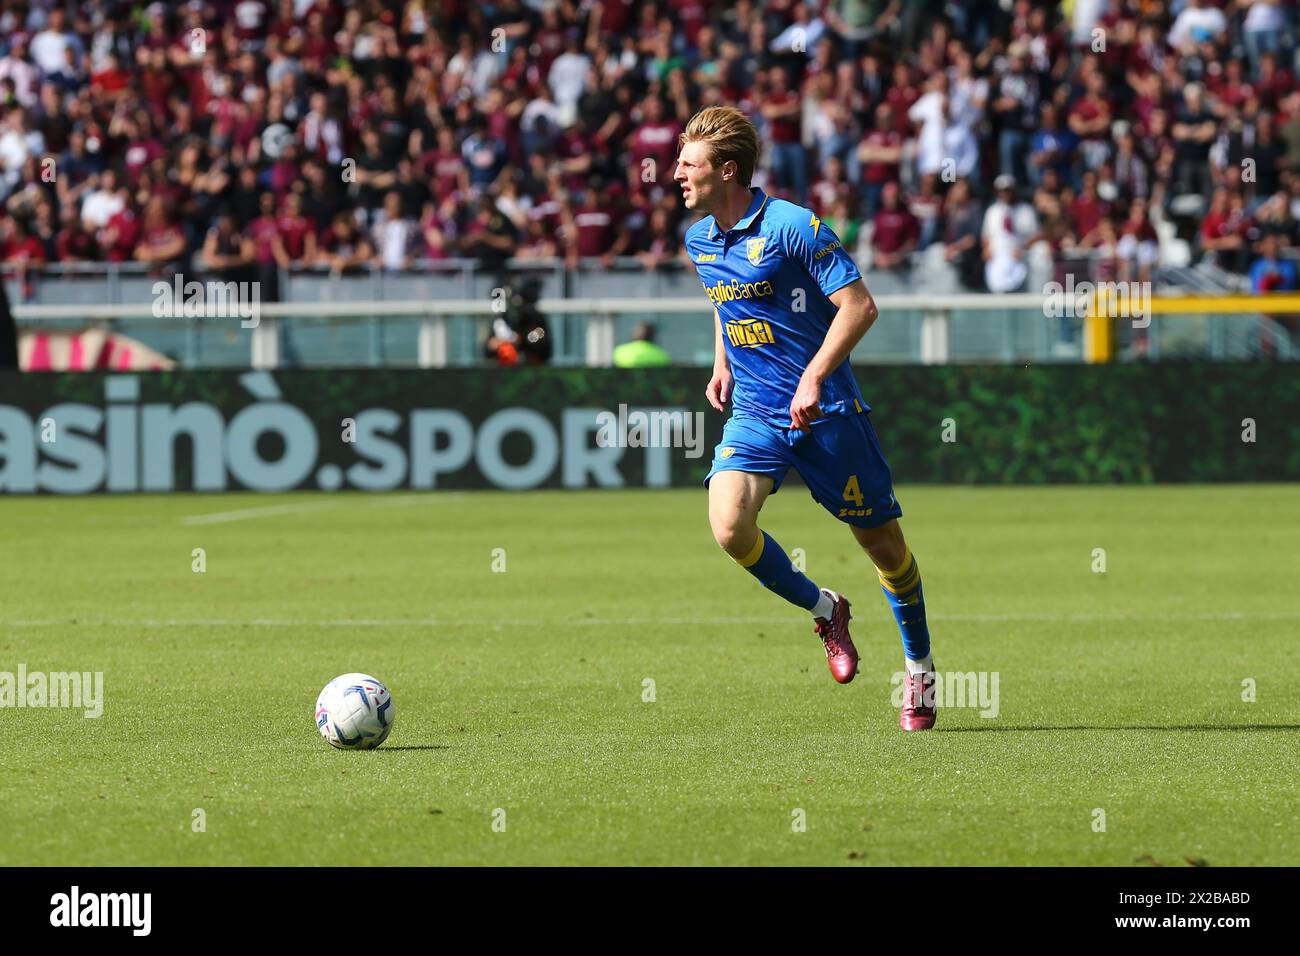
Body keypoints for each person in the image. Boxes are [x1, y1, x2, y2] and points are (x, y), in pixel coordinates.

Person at [675, 106, 939, 731]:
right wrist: (723, 361)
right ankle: (825, 609)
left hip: (827, 414)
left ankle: (921, 671)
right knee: (729, 528)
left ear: (727, 170)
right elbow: (724, 298)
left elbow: (859, 306)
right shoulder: (699, 238)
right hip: (756, 414)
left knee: (884, 547)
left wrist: (815, 375)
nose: (676, 175)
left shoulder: (796, 227)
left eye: (689, 165)